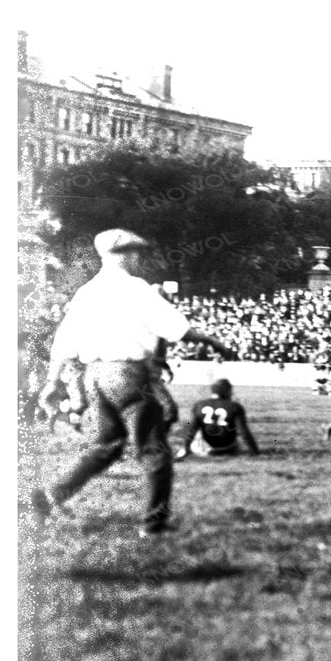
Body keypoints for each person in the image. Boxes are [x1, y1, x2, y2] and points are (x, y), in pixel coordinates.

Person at [28, 228, 240, 537]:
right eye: (137, 253)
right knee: (154, 449)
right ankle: (154, 524)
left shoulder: (86, 292)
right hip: (129, 374)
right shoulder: (136, 288)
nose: (140, 258)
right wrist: (216, 343)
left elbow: (63, 342)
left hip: (95, 377)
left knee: (105, 447)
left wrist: (51, 381)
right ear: (126, 255)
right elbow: (178, 329)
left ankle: (49, 496)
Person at [176, 377, 260, 458]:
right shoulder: (235, 406)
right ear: (226, 391)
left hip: (206, 449)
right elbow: (244, 432)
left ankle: (187, 450)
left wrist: (185, 448)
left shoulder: (199, 405)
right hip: (229, 449)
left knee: (195, 428)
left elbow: (192, 430)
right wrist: (254, 451)